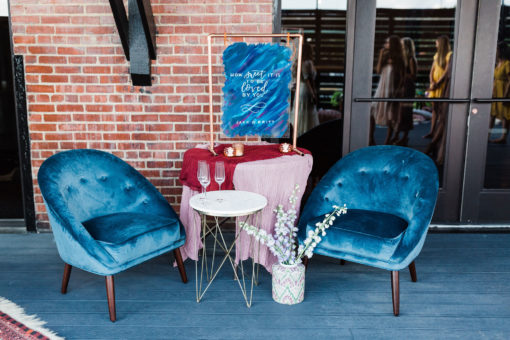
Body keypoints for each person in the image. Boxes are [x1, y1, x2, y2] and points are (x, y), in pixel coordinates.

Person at [370, 35, 405, 145]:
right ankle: (371, 138)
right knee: (372, 109)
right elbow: (378, 70)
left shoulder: (399, 58)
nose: (385, 44)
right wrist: (380, 55)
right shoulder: (384, 56)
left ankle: (387, 140)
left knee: (390, 115)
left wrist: (397, 91)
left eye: (388, 43)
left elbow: (402, 76)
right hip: (382, 86)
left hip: (392, 88)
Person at [424, 35, 452, 139]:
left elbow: (446, 71)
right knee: (434, 108)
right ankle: (432, 131)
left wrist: (438, 83)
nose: (435, 44)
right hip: (435, 83)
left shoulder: (449, 55)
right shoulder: (436, 55)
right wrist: (432, 81)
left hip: (442, 84)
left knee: (441, 109)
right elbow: (432, 69)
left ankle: (440, 132)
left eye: (436, 42)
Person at [291, 43, 319, 137]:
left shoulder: (298, 62)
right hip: (306, 90)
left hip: (300, 90)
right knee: (308, 113)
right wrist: (313, 94)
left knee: (300, 112)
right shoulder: (308, 63)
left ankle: (299, 133)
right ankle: (307, 134)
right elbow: (309, 80)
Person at [393, 37, 417, 146]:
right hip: (402, 86)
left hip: (408, 87)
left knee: (406, 112)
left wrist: (402, 75)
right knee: (399, 112)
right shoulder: (402, 58)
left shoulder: (411, 59)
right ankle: (396, 135)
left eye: (402, 45)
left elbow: (413, 75)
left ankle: (404, 137)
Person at [489, 42, 510, 144]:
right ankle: (487, 135)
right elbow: (495, 79)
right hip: (496, 91)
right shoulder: (498, 63)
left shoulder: (507, 64)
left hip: (504, 91)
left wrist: (505, 95)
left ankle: (503, 137)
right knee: (492, 113)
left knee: (505, 115)